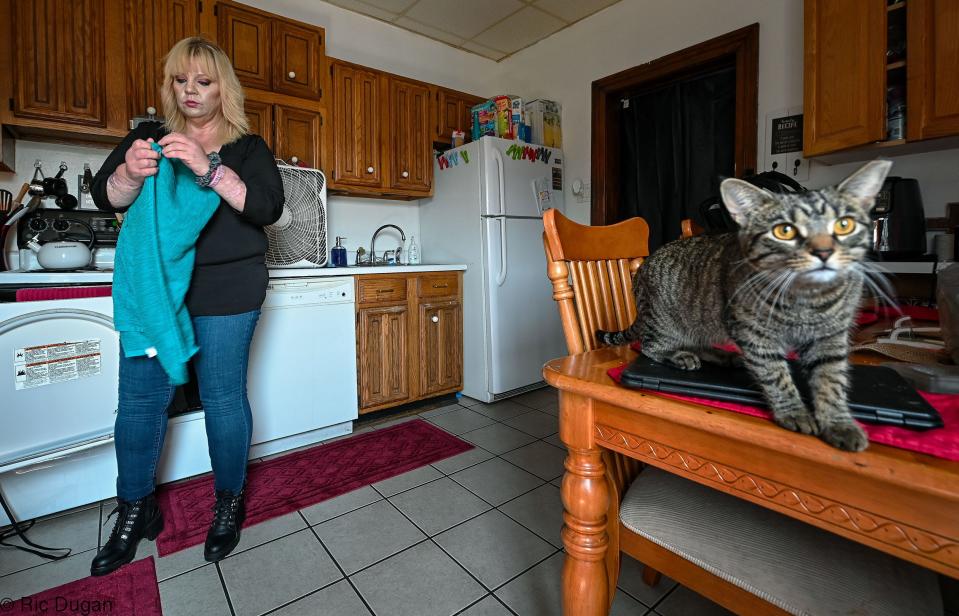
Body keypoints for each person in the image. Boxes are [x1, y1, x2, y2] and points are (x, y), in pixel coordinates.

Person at [89, 37, 284, 576]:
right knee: (139, 402)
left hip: (228, 291)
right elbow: (107, 197)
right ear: (170, 85)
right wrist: (129, 171)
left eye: (204, 81)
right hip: (155, 291)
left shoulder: (247, 146)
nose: (191, 91)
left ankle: (228, 501)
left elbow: (267, 207)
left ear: (224, 86)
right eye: (181, 81)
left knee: (222, 398)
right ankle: (135, 509)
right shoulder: (149, 136)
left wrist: (207, 166)